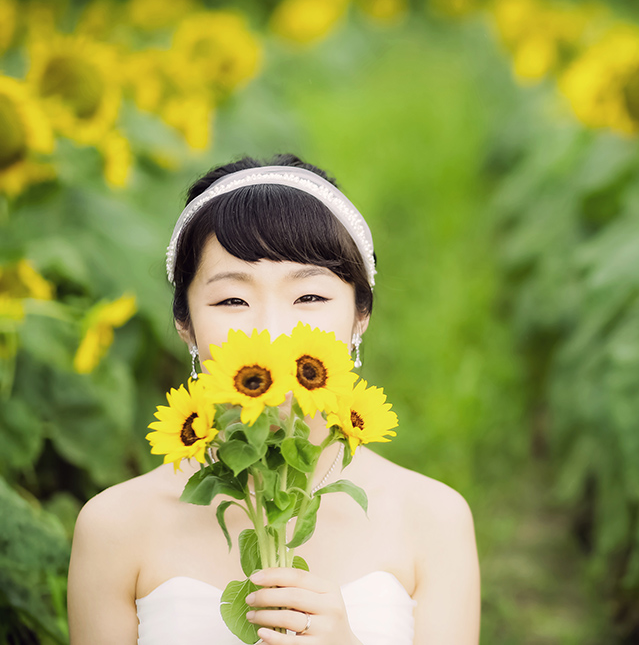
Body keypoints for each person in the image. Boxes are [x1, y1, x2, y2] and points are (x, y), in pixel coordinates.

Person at [67, 154, 481, 644]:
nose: (271, 331)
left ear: (361, 315)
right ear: (185, 326)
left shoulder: (432, 517)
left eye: (309, 298)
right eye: (232, 301)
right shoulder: (114, 524)